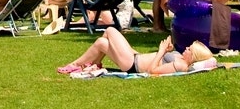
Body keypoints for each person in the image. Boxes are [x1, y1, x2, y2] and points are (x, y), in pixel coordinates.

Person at [57, 27, 214, 76]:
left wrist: (161, 51)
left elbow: (153, 71)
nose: (186, 48)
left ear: (193, 56)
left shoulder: (181, 66)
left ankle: (76, 64)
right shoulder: (179, 59)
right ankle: (92, 64)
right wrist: (168, 50)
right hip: (136, 56)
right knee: (101, 42)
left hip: (132, 64)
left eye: (189, 50)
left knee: (110, 30)